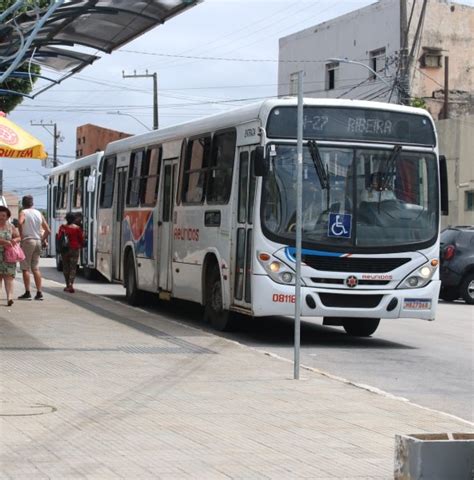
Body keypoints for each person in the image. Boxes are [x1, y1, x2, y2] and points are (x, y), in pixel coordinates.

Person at [18, 195, 50, 301]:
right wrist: (42, 239)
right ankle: (39, 292)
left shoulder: (23, 212)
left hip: (28, 241)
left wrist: (21, 236)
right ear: (32, 203)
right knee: (35, 268)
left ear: (23, 203)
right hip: (37, 241)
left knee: (25, 268)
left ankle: (27, 292)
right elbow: (48, 230)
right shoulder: (38, 213)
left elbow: (19, 222)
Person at [57, 212, 84, 293]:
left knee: (66, 267)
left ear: (66, 219)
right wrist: (81, 245)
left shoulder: (62, 227)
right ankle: (71, 284)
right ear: (74, 219)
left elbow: (59, 238)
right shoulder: (77, 228)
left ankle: (67, 285)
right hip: (75, 249)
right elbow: (81, 239)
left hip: (65, 250)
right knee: (73, 267)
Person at [0, 206, 21, 306]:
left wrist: (14, 240)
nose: (1, 217)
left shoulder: (10, 226)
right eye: (0, 215)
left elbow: (18, 237)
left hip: (9, 255)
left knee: (9, 277)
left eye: (3, 215)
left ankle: (9, 298)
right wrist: (4, 241)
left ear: (7, 216)